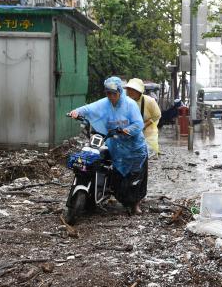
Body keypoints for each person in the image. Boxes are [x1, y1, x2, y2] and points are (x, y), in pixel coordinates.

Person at [68, 76, 148, 214]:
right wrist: (77, 112)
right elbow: (88, 109)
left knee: (136, 178)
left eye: (114, 93)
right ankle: (102, 196)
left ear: (120, 92)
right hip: (116, 145)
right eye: (108, 93)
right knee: (117, 175)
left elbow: (139, 124)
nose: (111, 96)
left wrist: (126, 130)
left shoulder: (130, 104)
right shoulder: (104, 103)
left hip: (134, 148)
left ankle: (135, 205)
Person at [125, 78, 161, 156]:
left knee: (145, 153)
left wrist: (144, 125)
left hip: (148, 131)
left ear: (139, 91)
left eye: (133, 89)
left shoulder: (150, 101)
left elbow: (157, 115)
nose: (130, 92)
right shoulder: (124, 102)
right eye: (128, 89)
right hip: (130, 130)